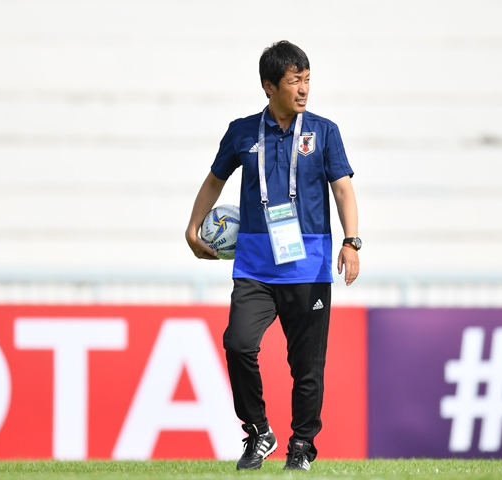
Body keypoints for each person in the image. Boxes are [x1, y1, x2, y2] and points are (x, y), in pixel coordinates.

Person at [185, 40, 361, 471]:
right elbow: (214, 181)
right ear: (269, 86)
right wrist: (193, 226)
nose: (303, 89)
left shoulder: (324, 131)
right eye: (294, 80)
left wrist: (351, 241)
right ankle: (258, 431)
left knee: (306, 367)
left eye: (307, 80)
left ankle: (301, 444)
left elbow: (342, 190)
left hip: (308, 268)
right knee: (238, 344)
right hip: (255, 268)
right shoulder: (242, 131)